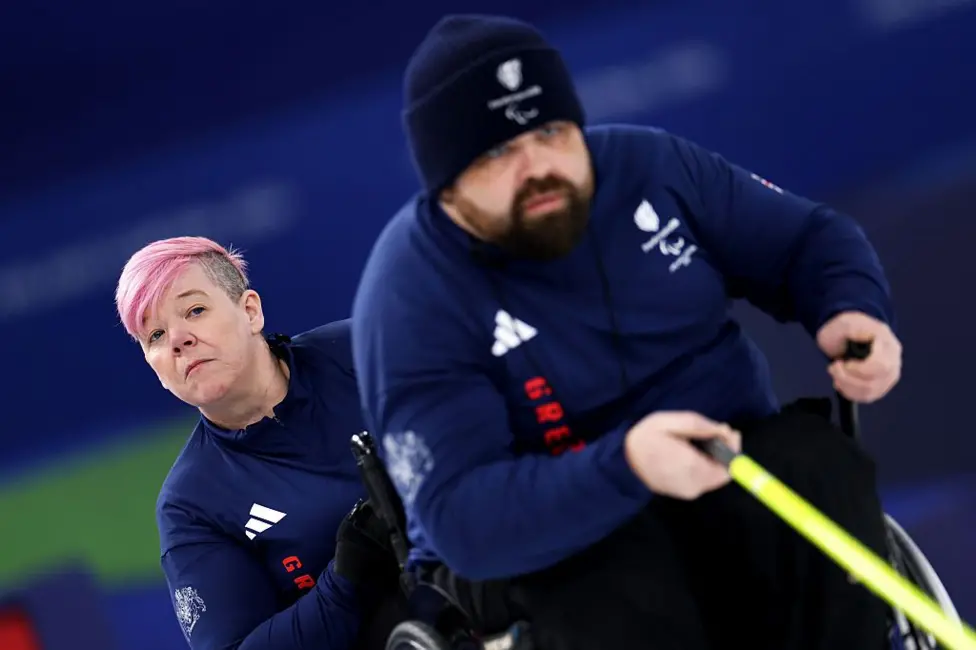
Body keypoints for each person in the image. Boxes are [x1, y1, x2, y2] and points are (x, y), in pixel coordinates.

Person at [350, 13, 903, 650]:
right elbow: (465, 518)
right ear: (446, 185)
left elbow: (806, 241)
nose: (539, 167)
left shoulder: (651, 167)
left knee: (821, 471)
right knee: (627, 586)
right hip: (545, 527)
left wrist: (849, 307)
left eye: (553, 132)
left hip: (724, 453)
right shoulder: (410, 295)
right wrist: (629, 465)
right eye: (498, 152)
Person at [114, 236, 405, 650]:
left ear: (250, 310)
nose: (178, 340)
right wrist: (346, 578)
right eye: (155, 335)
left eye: (195, 310)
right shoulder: (192, 505)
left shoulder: (364, 351)